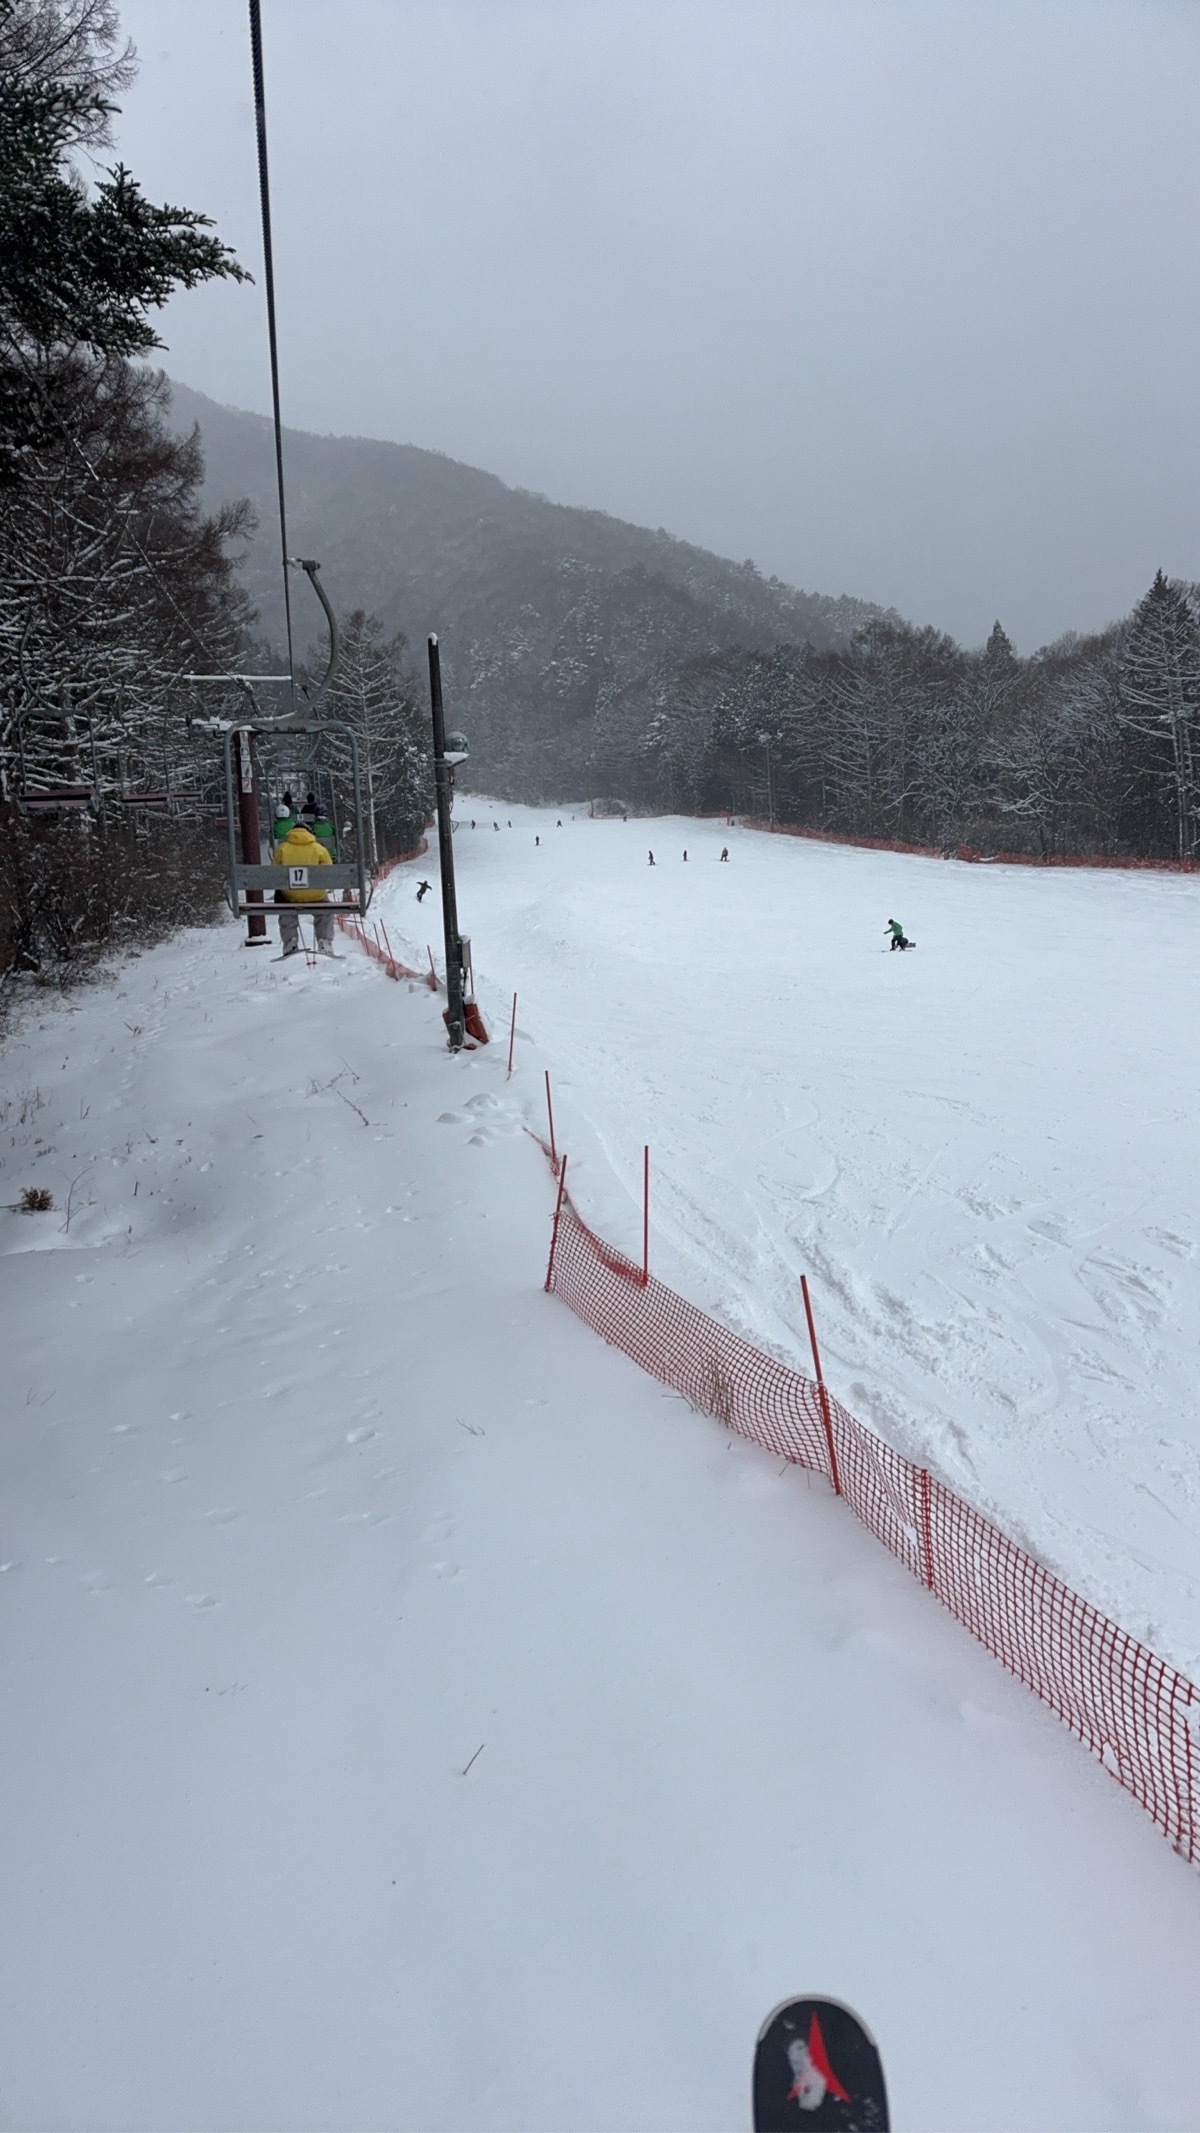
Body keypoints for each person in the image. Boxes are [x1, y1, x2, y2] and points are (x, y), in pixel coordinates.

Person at [273, 819, 336, 956]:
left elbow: (274, 874)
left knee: (286, 909)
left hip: (290, 895)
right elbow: (330, 872)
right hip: (316, 895)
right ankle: (324, 941)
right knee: (325, 909)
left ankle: (290, 942)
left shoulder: (282, 848)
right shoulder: (319, 848)